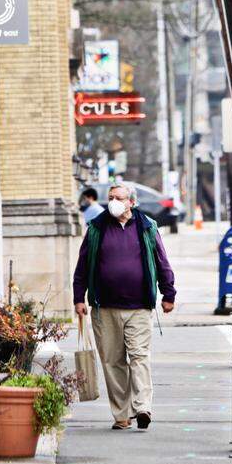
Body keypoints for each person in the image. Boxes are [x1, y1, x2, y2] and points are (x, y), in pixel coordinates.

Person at [73, 183, 176, 431]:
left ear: (131, 202)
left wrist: (168, 292)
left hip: (139, 306)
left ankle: (142, 407)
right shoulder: (97, 228)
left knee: (139, 356)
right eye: (111, 198)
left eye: (119, 198)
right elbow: (83, 266)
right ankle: (122, 414)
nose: (114, 202)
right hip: (104, 308)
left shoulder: (147, 227)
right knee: (113, 361)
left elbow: (162, 261)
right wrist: (79, 298)